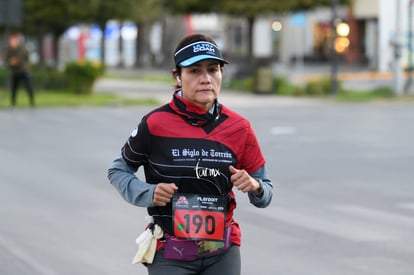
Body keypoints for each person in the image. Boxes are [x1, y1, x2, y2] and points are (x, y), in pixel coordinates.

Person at [107, 33, 273, 275]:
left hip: (222, 252)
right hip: (170, 253)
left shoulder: (240, 127)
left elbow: (266, 191)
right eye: (194, 71)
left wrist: (255, 186)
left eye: (213, 70)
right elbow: (118, 170)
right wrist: (148, 193)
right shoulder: (155, 123)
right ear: (177, 76)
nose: (206, 79)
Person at [6, 32, 35, 108]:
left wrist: (17, 62)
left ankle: (32, 102)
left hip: (23, 70)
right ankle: (13, 103)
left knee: (28, 86)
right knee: (14, 88)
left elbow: (25, 58)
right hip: (15, 71)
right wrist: (11, 62)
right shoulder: (10, 49)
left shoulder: (22, 48)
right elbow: (8, 59)